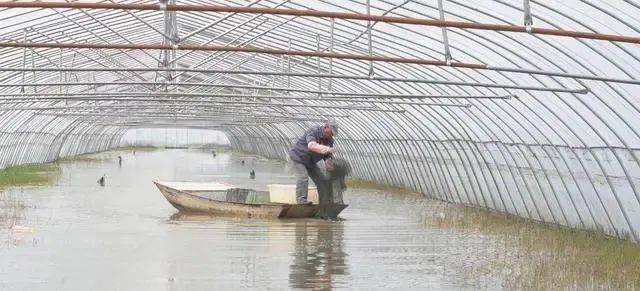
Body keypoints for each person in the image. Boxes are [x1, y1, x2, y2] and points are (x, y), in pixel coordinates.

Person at [289, 120, 338, 204]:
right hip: (298, 157)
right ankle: (301, 201)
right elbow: (311, 146)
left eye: (333, 134)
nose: (331, 135)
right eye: (331, 132)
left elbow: (327, 156)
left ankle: (324, 203)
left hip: (310, 161)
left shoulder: (330, 140)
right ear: (326, 127)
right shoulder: (314, 131)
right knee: (303, 177)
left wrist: (330, 164)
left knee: (322, 181)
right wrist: (327, 149)